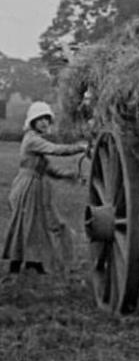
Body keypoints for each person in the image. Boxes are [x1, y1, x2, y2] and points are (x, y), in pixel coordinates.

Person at [2, 101, 87, 276]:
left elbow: (50, 170)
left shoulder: (36, 142)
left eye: (47, 119)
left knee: (35, 225)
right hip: (27, 186)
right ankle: (18, 264)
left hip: (35, 185)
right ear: (32, 122)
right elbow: (55, 150)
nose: (44, 123)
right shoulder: (32, 140)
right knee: (25, 224)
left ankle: (33, 263)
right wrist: (80, 147)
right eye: (39, 119)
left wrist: (70, 175)